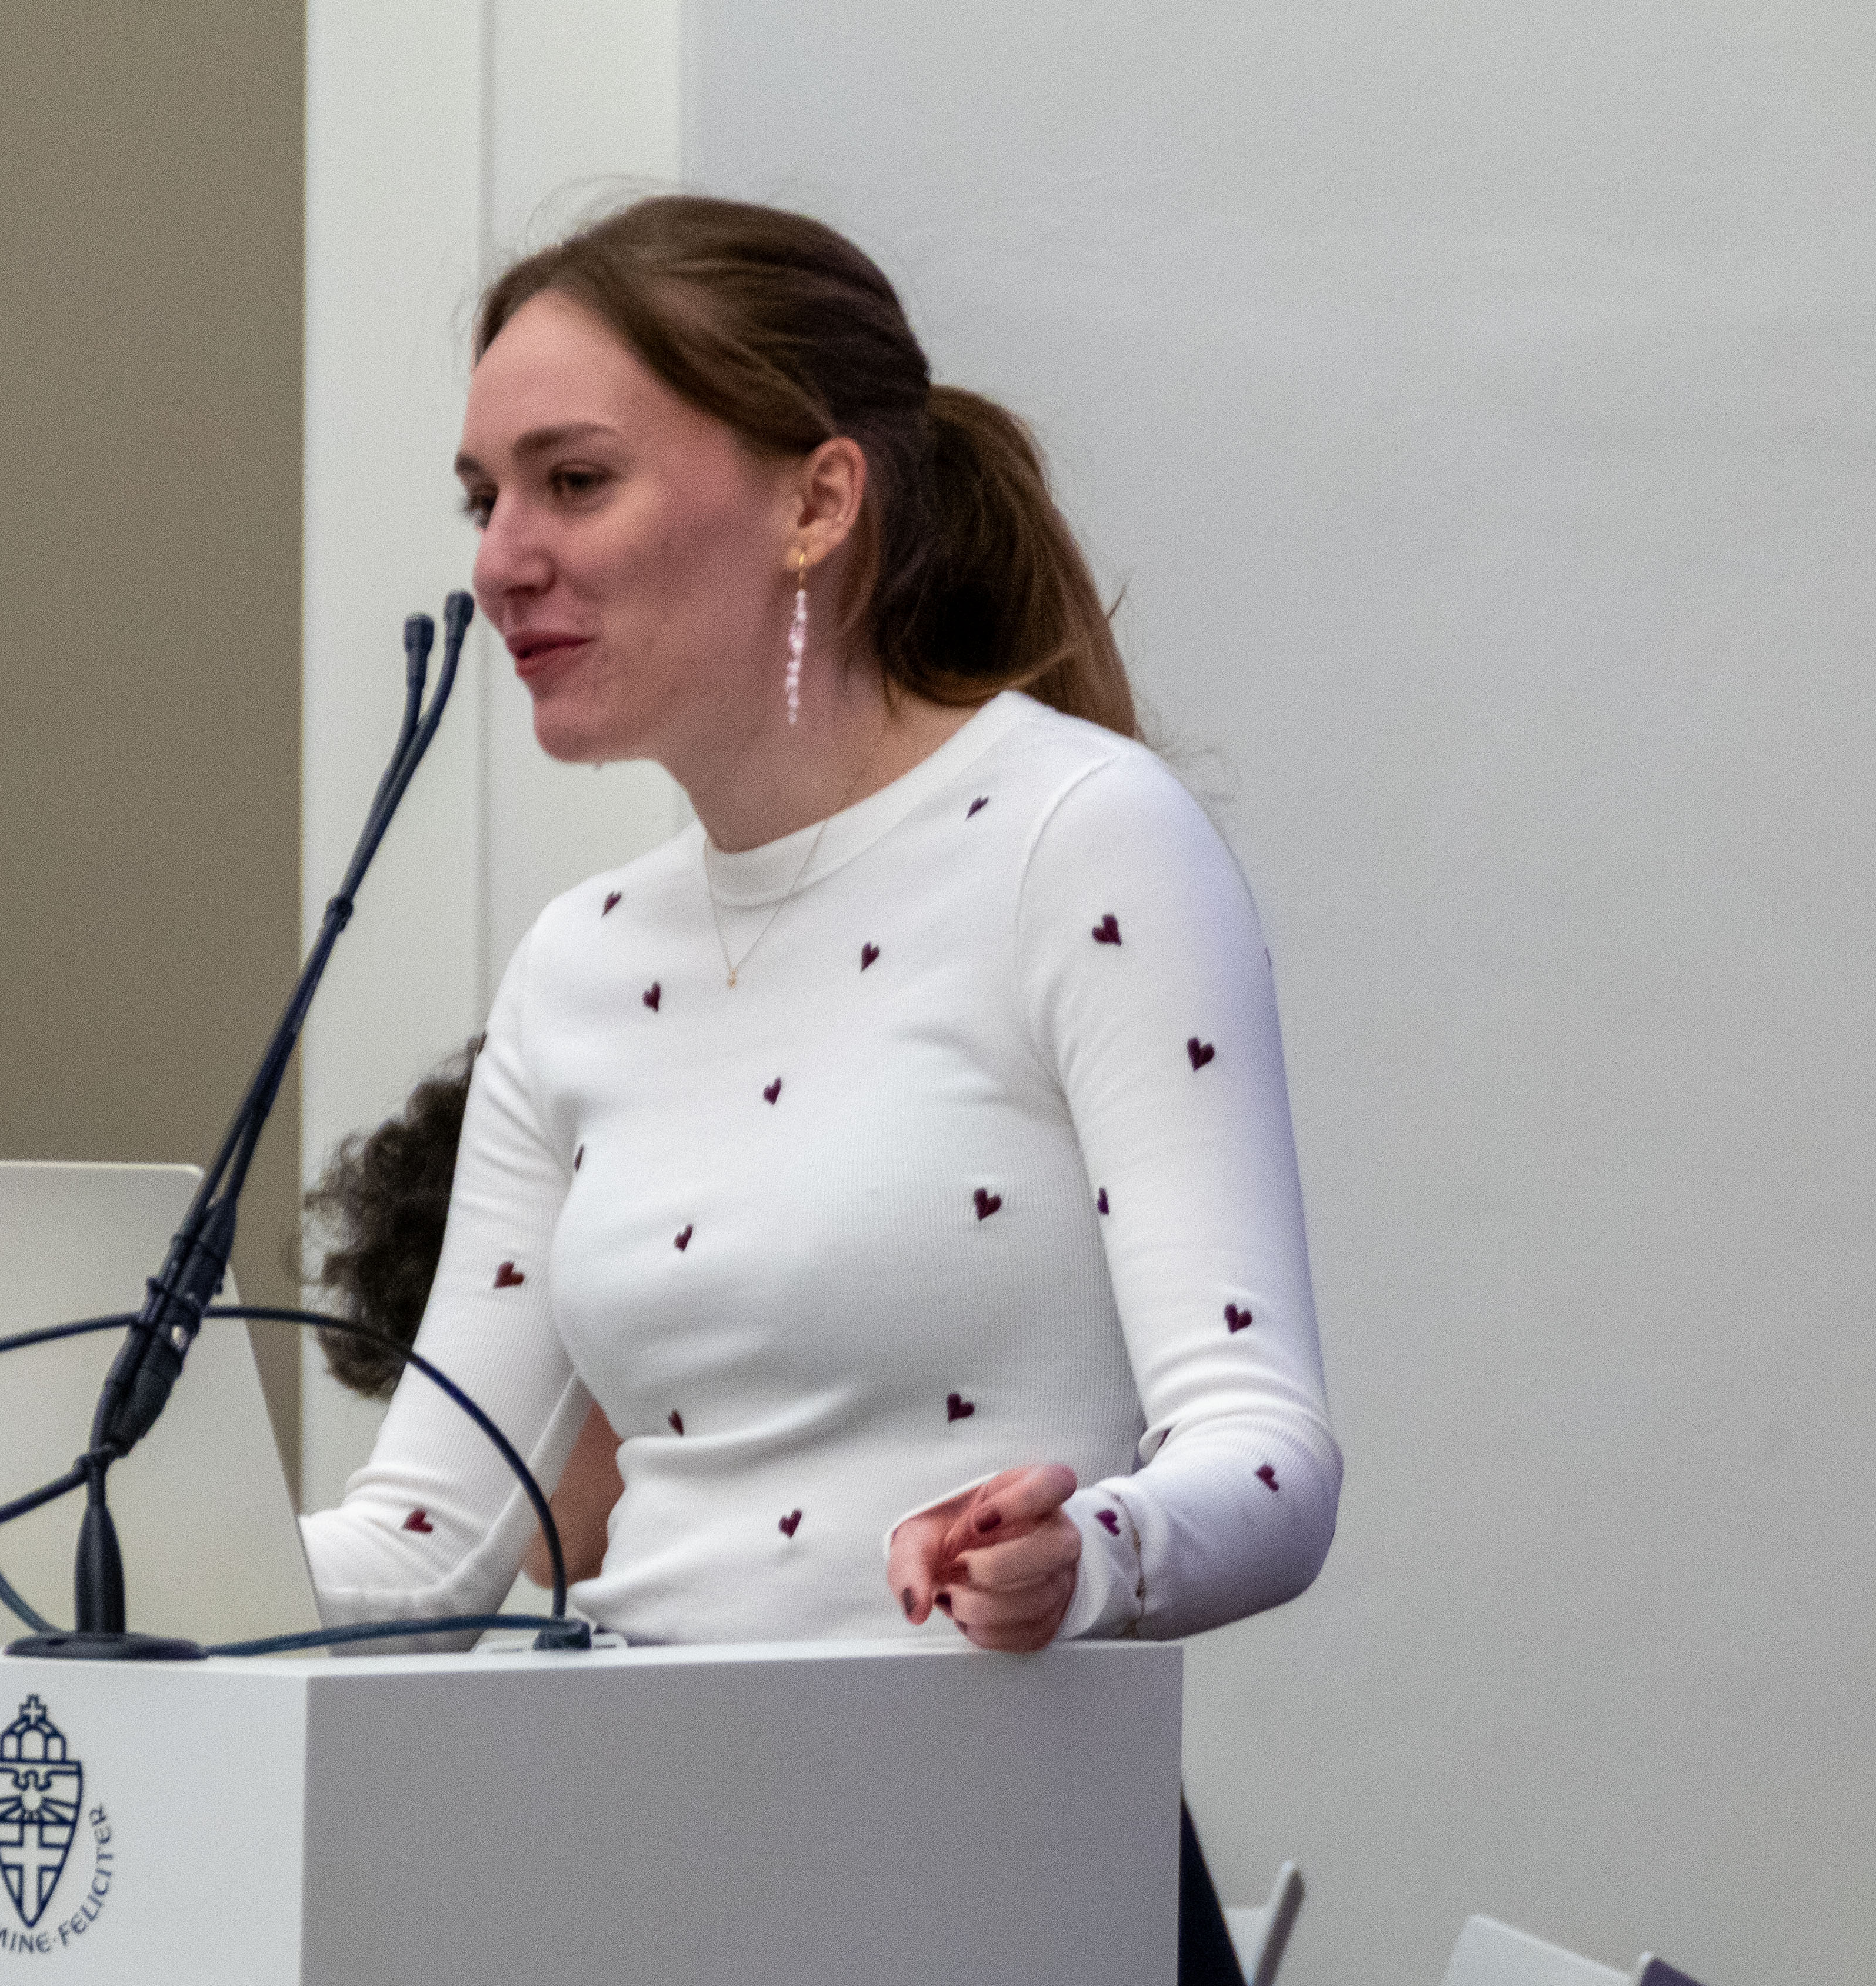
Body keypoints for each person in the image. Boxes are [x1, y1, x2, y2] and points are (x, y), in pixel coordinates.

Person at [297, 195, 1337, 1977]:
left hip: (993, 1881)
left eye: (572, 481)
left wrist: (1087, 1552)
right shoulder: (575, 962)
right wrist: (0, 1539)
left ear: (818, 501)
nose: (500, 562)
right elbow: (421, 1552)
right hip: (657, 1872)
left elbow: (1268, 1451)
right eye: (483, 499)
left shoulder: (1082, 839)